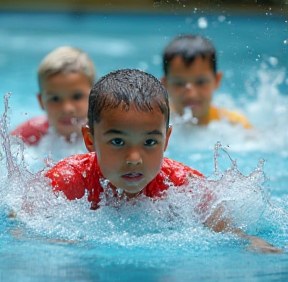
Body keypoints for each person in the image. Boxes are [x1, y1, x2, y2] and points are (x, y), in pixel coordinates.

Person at [45, 69, 281, 254]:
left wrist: (251, 242)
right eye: (118, 142)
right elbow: (21, 223)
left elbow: (227, 229)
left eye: (149, 143)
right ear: (90, 139)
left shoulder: (181, 185)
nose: (134, 159)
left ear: (166, 140)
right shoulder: (69, 180)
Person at [10, 46, 96, 146]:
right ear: (41, 101)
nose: (67, 108)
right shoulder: (32, 132)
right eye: (55, 99)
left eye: (77, 97)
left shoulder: (103, 135)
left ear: (94, 97)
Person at [161, 34, 251, 128]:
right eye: (179, 83)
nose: (191, 95)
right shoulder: (157, 121)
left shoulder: (235, 124)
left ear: (217, 80)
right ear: (165, 84)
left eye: (201, 82)